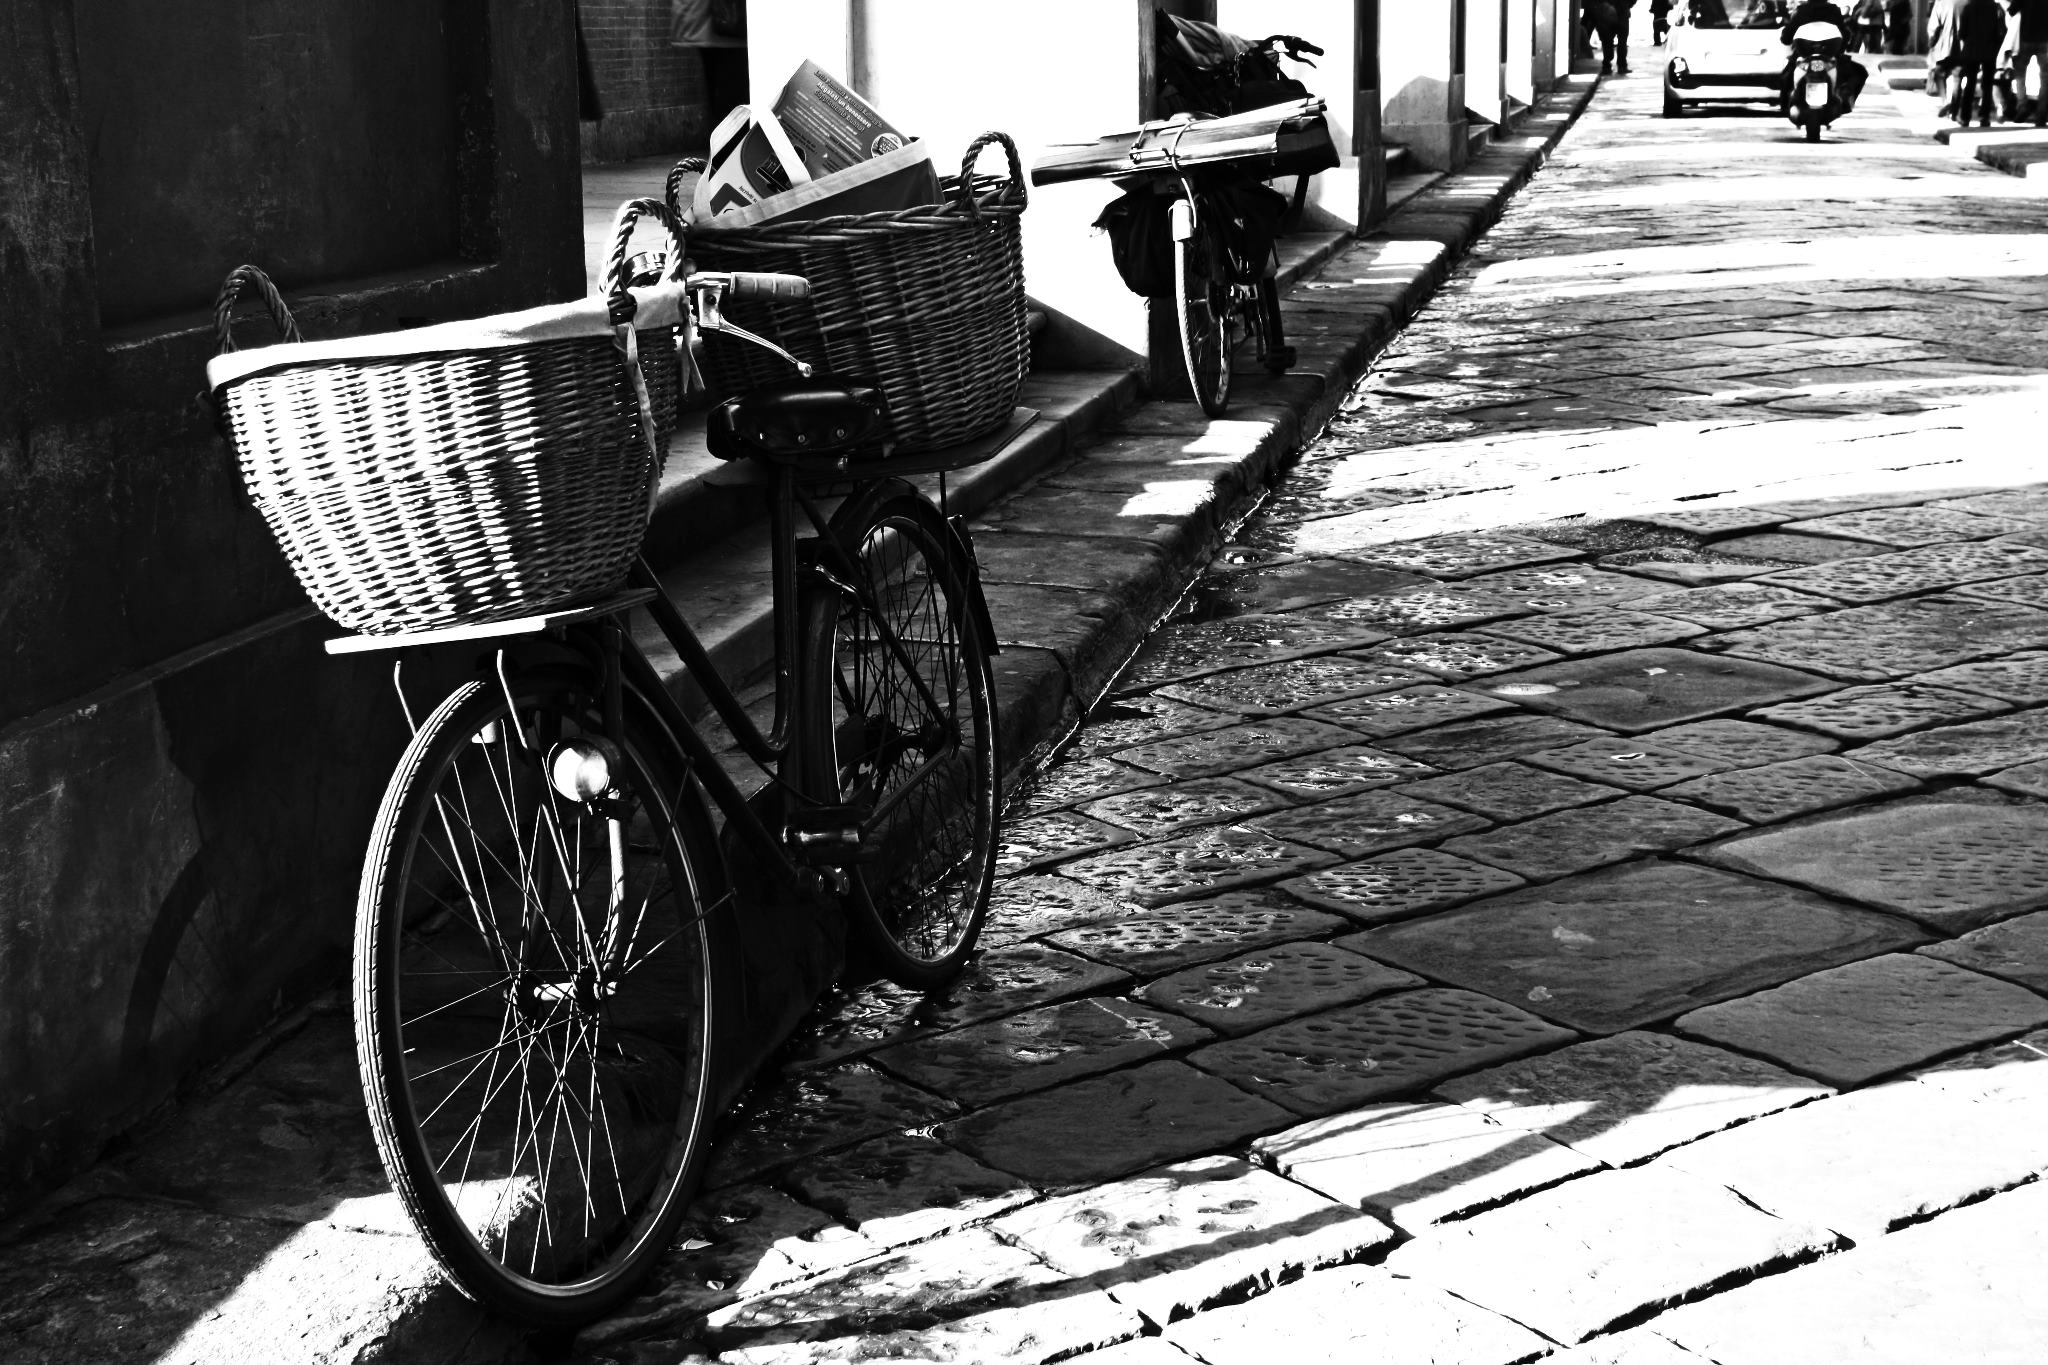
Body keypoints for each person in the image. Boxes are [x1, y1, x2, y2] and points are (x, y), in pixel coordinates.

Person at [671, 0, 749, 137]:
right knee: (732, 101)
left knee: (721, 97)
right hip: (728, 20)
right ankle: (730, 152)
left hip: (702, 18)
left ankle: (724, 150)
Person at [1779, 0, 1869, 109]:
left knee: (1786, 75)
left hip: (1805, 56)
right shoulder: (1833, 10)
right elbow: (1845, 34)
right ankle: (1845, 96)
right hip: (1830, 55)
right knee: (1860, 72)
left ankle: (1785, 105)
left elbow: (1786, 38)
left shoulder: (1801, 11)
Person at [1953, 0, 2010, 125]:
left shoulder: (1968, 8)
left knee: (1970, 84)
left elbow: (1962, 33)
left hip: (1971, 50)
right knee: (1988, 84)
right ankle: (1985, 117)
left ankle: (1965, 117)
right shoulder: (1995, 8)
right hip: (1990, 51)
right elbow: (2001, 31)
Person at [2010, 0, 2048, 126]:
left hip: (2026, 38)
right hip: (2044, 41)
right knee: (2045, 78)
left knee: (2020, 74)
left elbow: (2011, 10)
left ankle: (2023, 106)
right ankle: (2041, 115)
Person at [1928, 0, 1967, 115]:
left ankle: (1945, 101)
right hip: (1963, 47)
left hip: (1944, 47)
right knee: (1957, 77)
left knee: (1939, 73)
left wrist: (1931, 44)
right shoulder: (1968, 3)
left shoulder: (1941, 3)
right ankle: (1953, 110)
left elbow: (1934, 27)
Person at [1585, 0, 1623, 75]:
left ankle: (1608, 63)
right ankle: (1609, 63)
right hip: (1604, 13)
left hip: (1607, 13)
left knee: (1607, 40)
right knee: (1608, 40)